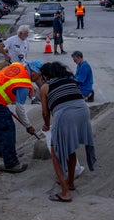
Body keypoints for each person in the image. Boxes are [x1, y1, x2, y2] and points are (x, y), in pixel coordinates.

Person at [39, 62, 96, 202]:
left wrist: (46, 125)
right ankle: (70, 183)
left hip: (65, 115)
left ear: (46, 76)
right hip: (83, 112)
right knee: (70, 148)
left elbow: (45, 113)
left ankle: (65, 192)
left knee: (55, 153)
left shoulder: (45, 87)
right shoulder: (71, 81)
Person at [0, 60, 43, 173]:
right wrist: (28, 125)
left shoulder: (18, 65)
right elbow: (19, 109)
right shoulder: (23, 84)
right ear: (34, 72)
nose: (37, 80)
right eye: (38, 77)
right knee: (7, 128)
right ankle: (11, 163)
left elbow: (6, 81)